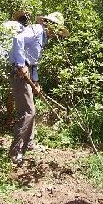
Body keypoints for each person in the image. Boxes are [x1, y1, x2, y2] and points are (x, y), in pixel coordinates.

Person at [8, 11, 69, 164]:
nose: (57, 35)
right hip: (18, 72)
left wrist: (36, 82)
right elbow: (17, 38)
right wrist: (21, 64)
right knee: (28, 111)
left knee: (31, 110)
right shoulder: (36, 30)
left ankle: (29, 143)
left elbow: (33, 62)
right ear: (50, 25)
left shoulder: (43, 38)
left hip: (26, 71)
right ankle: (15, 152)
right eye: (56, 30)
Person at [0, 10, 30, 124]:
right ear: (25, 21)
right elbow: (21, 48)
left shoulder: (4, 25)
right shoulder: (23, 29)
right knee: (10, 90)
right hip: (8, 61)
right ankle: (9, 118)